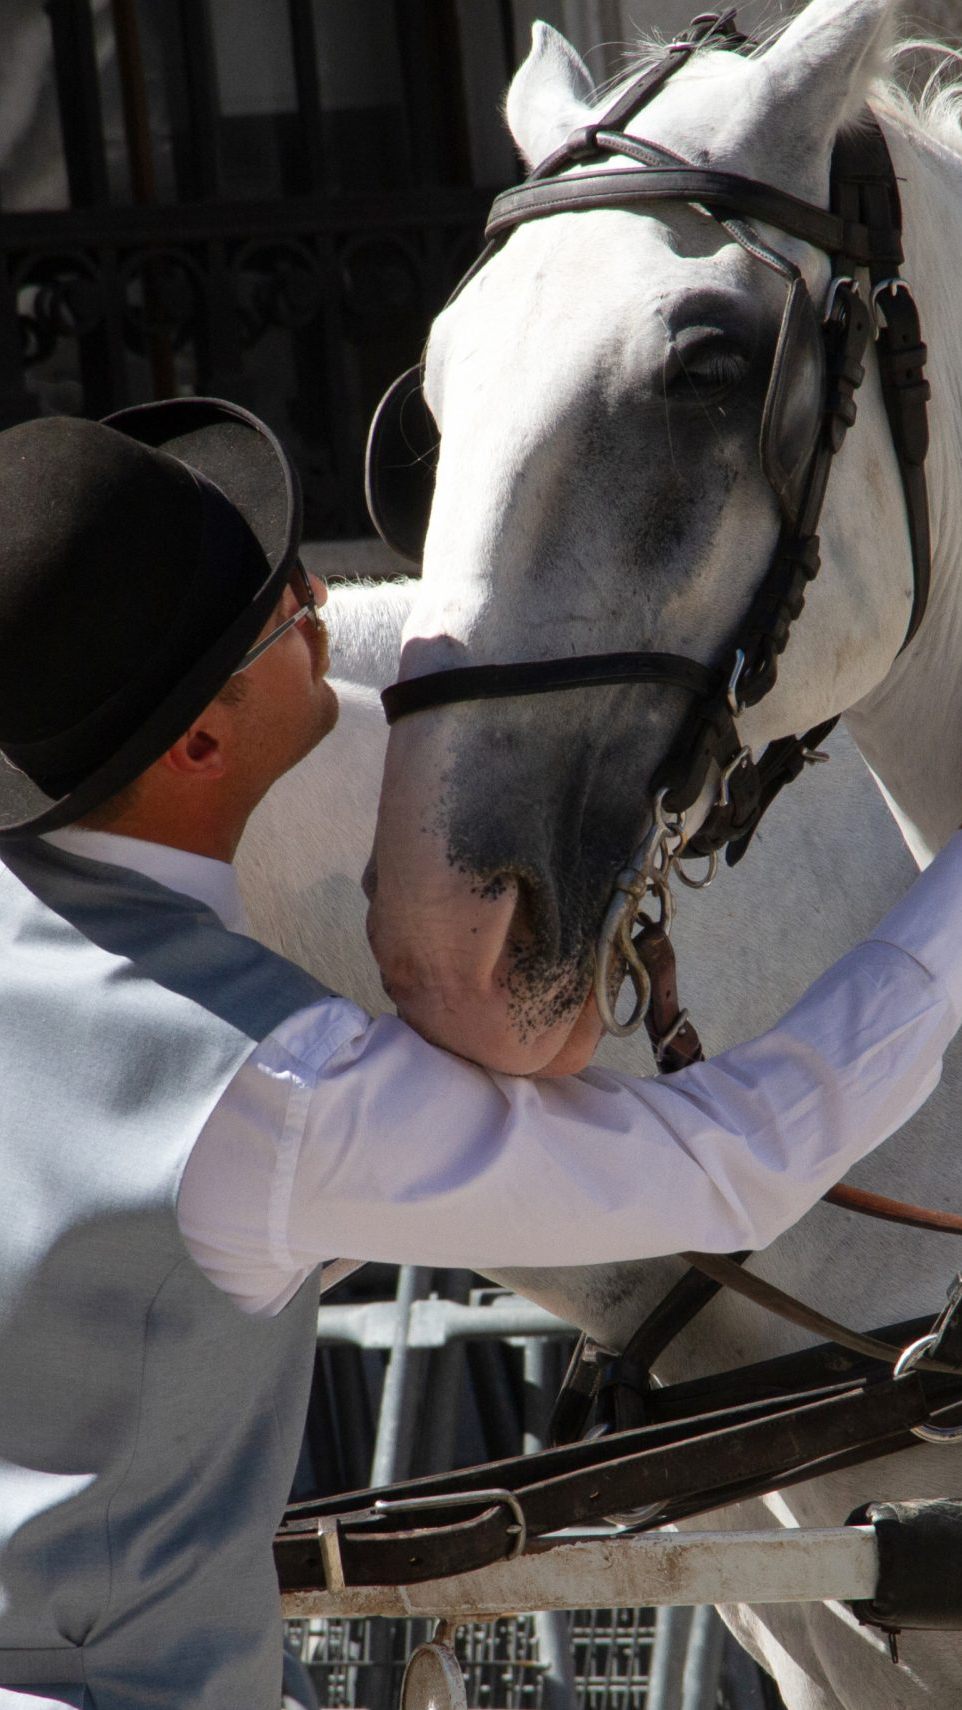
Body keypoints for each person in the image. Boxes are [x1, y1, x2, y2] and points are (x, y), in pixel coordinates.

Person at [0, 399, 960, 1710]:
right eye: (287, 618)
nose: (324, 597)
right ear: (204, 741)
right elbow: (738, 1163)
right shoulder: (274, 1083)